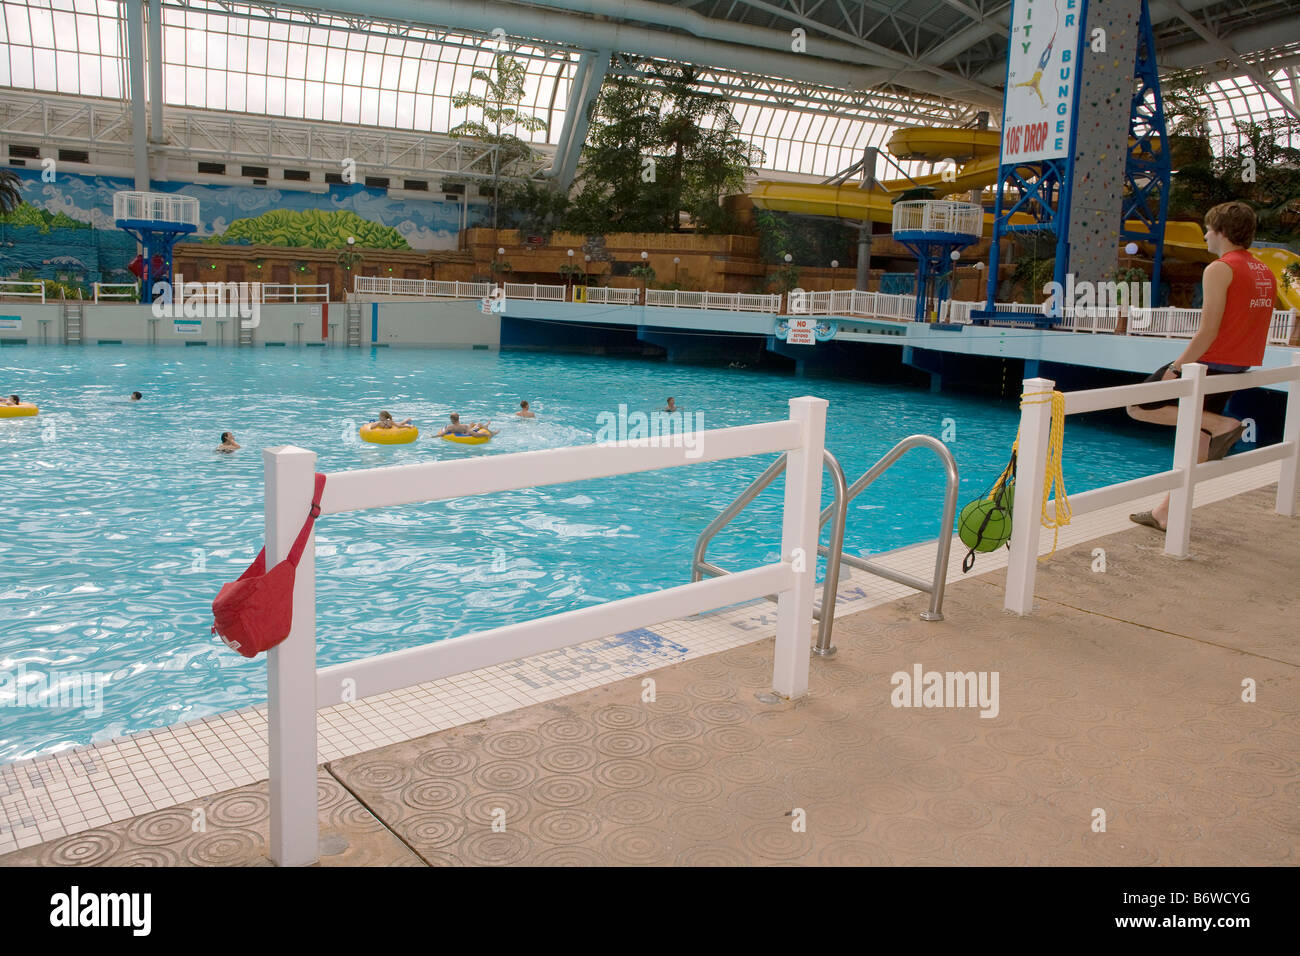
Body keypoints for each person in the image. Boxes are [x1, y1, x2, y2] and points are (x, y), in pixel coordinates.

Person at [1126, 201, 1277, 532]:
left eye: (1208, 228)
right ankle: (1166, 513)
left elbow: (1208, 329)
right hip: (1237, 365)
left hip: (1211, 362)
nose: (1206, 235)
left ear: (1221, 232)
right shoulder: (1263, 270)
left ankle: (1223, 424)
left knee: (1137, 405)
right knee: (1198, 438)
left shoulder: (1220, 268)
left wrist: (1178, 367)